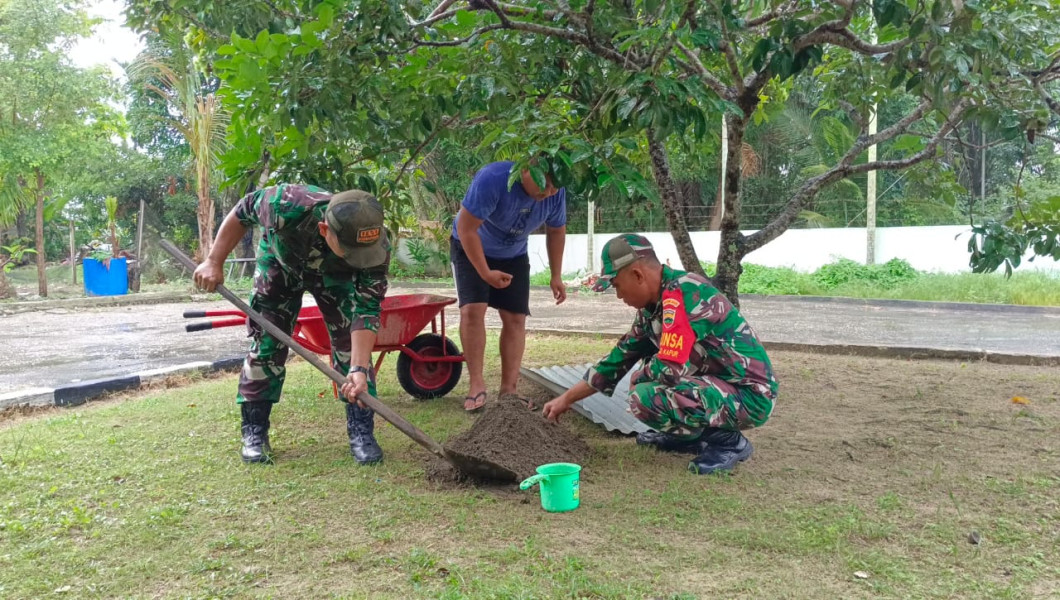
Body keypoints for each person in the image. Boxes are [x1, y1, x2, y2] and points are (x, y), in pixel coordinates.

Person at [542, 234, 778, 475]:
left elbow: (670, 366)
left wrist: (640, 376)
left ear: (637, 275)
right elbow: (618, 359)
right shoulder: (653, 307)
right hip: (717, 387)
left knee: (645, 394)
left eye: (616, 285)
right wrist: (566, 399)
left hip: (749, 397)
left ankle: (729, 443)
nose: (618, 296)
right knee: (646, 390)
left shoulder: (686, 295)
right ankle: (691, 439)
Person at [193, 185, 390, 465]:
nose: (360, 257)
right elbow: (242, 210)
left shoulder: (375, 245)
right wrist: (214, 260)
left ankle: (362, 431)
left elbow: (367, 309)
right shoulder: (285, 204)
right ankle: (255, 432)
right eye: (351, 251)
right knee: (267, 344)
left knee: (351, 347)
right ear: (325, 229)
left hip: (336, 278)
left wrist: (357, 368)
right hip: (280, 264)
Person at [450, 160, 568, 411]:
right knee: (473, 310)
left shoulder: (556, 193)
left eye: (554, 188)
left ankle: (509, 392)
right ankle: (476, 385)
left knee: (516, 317)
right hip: (471, 246)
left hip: (513, 253)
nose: (548, 193)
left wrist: (556, 275)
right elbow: (466, 227)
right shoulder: (493, 179)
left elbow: (556, 230)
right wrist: (485, 272)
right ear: (528, 167)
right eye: (545, 184)